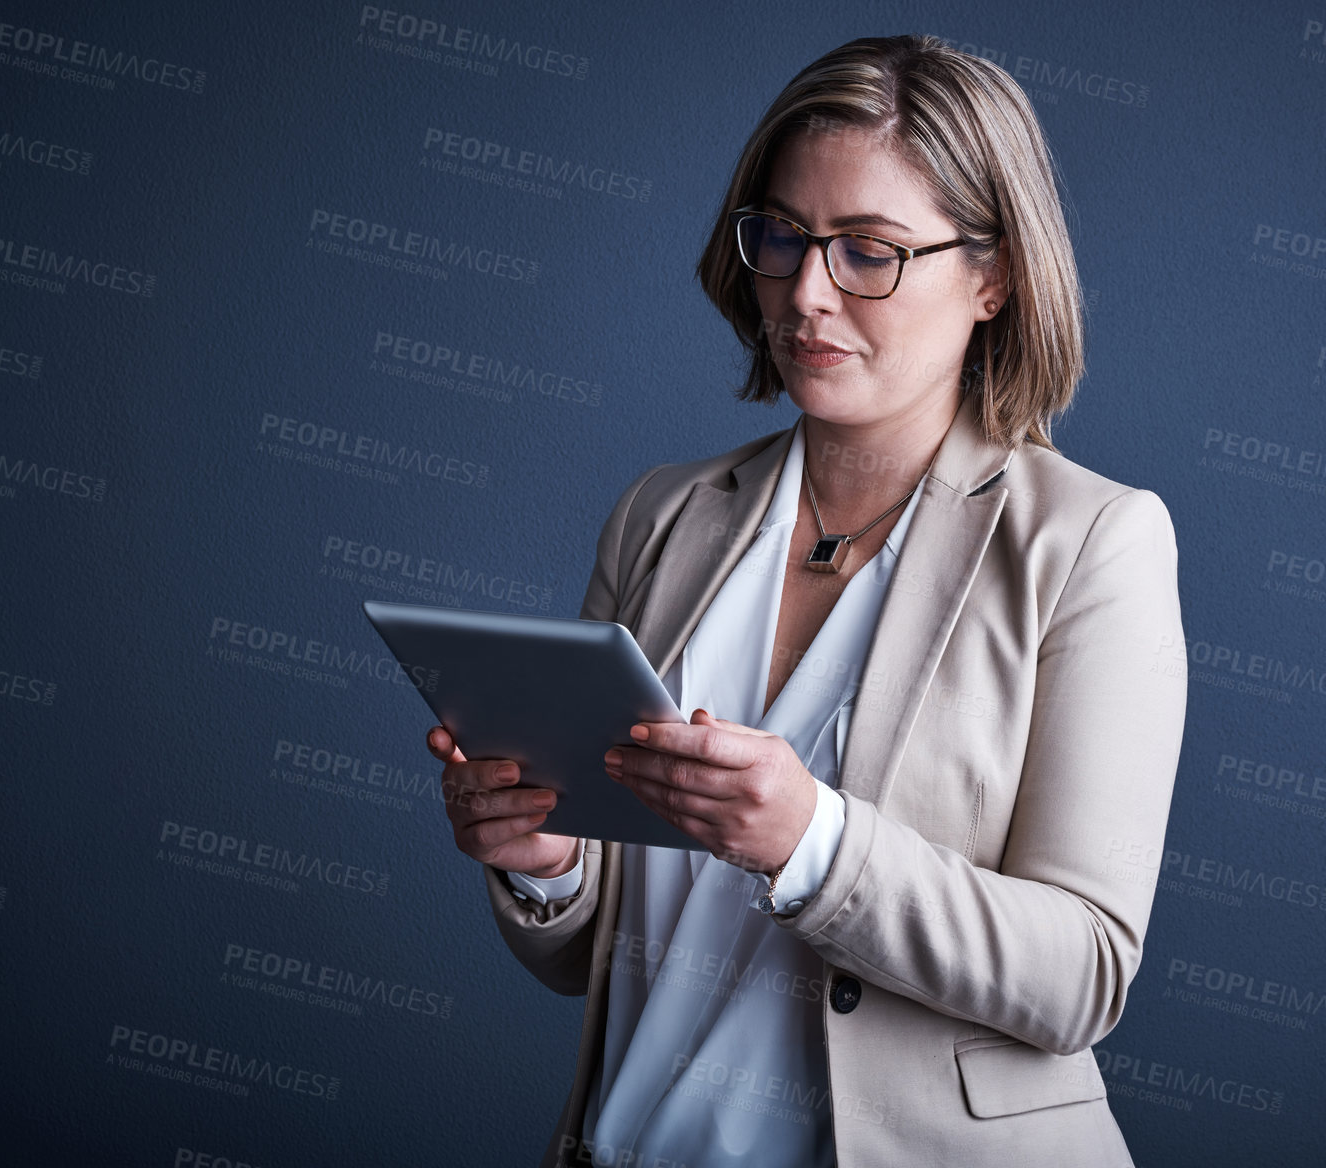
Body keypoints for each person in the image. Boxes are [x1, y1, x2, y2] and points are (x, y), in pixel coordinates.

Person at [425, 34, 1186, 1168]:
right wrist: (543, 861)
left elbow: (1079, 973)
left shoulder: (1089, 543)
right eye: (780, 236)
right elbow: (599, 960)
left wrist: (813, 843)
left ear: (992, 277)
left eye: (868, 252)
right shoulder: (662, 515)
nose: (806, 291)